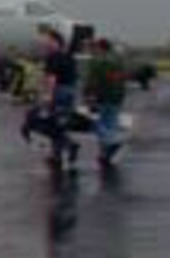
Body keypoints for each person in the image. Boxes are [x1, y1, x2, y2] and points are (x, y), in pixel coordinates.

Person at [37, 27, 81, 165]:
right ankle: (56, 155)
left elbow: (52, 77)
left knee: (50, 123)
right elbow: (75, 76)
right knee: (60, 123)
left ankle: (69, 144)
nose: (45, 43)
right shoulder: (68, 56)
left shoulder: (53, 57)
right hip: (70, 91)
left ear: (56, 41)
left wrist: (47, 95)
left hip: (58, 92)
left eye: (48, 41)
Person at [83, 36, 129, 164]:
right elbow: (122, 78)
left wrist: (88, 95)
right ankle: (106, 153)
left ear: (100, 47)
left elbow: (92, 80)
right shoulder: (119, 60)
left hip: (101, 96)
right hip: (116, 97)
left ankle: (110, 144)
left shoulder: (97, 61)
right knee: (111, 124)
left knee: (97, 124)